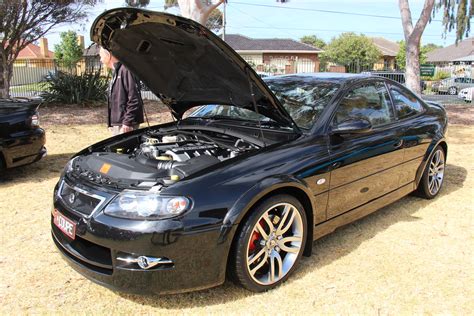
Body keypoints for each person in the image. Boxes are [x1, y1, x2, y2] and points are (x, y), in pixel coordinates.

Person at [99, 47, 144, 135]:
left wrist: (127, 122)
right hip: (117, 123)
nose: (100, 60)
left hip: (125, 125)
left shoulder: (126, 70)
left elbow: (134, 99)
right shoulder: (116, 72)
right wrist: (110, 123)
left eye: (101, 56)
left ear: (108, 55)